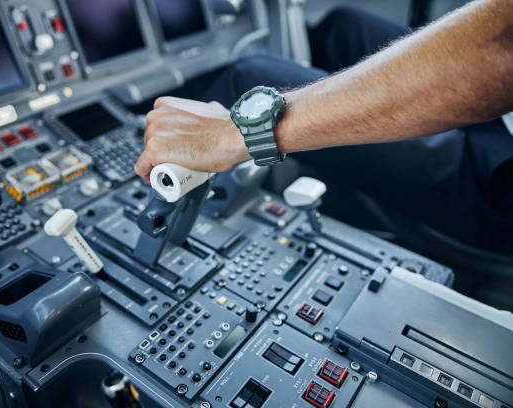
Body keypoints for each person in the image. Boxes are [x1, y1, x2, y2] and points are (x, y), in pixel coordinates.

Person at [135, 0, 513, 252]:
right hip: (503, 121)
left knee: (247, 79)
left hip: (499, 176)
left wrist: (235, 133)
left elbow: (501, 50)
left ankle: (151, 180)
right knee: (343, 26)